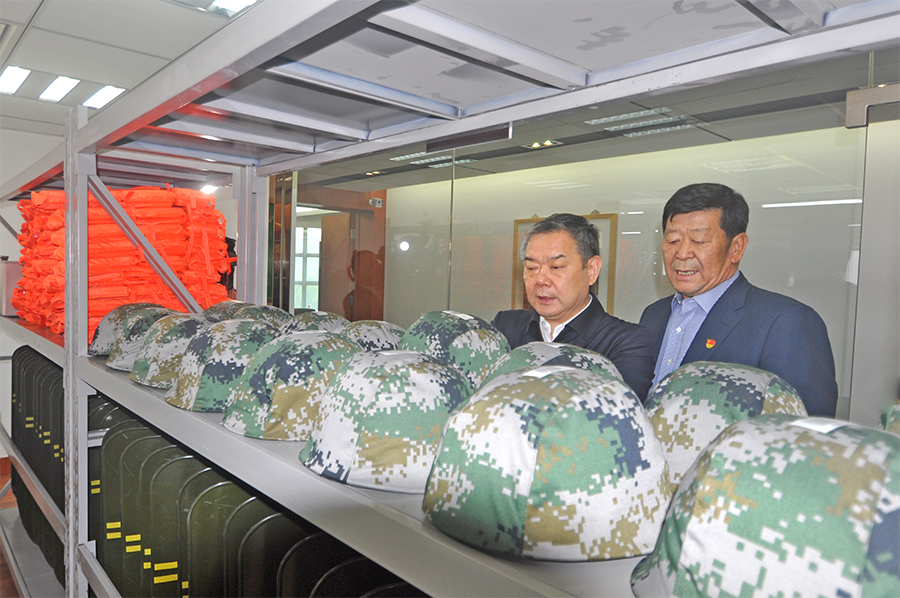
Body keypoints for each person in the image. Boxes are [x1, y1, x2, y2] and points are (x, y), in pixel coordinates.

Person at [639, 183, 838, 416]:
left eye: (699, 241)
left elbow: (805, 428)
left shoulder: (786, 323)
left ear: (737, 247)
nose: (682, 254)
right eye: (673, 241)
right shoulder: (653, 315)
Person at [492, 213, 655, 400]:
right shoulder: (505, 327)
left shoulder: (626, 342)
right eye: (531, 268)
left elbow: (619, 410)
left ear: (591, 270)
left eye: (556, 267)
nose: (540, 280)